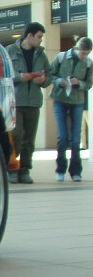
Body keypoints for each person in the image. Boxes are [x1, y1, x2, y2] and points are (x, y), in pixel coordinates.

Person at [6, 22, 50, 184]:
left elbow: (49, 74)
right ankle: (12, 167)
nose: (41, 40)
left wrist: (44, 80)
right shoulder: (10, 51)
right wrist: (19, 78)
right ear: (30, 35)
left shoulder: (41, 55)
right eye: (39, 37)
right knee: (16, 135)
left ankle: (25, 169)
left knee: (29, 139)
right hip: (16, 102)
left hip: (34, 103)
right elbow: (3, 74)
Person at [47, 36, 93, 181]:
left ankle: (76, 172)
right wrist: (60, 81)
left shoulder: (89, 63)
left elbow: (89, 84)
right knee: (62, 137)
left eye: (87, 53)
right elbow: (50, 75)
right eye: (83, 52)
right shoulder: (61, 57)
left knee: (75, 138)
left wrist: (78, 83)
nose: (84, 56)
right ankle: (60, 169)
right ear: (77, 48)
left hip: (77, 101)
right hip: (60, 99)